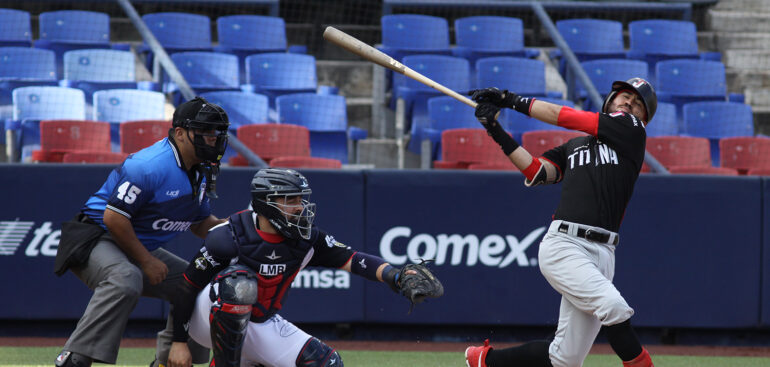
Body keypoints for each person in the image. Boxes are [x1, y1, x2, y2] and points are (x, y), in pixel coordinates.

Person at [463, 78, 657, 367]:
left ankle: (485, 360)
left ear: (644, 117)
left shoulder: (631, 130)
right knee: (614, 307)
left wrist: (509, 99)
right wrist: (495, 129)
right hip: (565, 245)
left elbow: (564, 116)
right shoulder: (575, 146)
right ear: (609, 101)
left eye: (639, 102)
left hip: (604, 254)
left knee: (564, 360)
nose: (630, 102)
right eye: (624, 96)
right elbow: (536, 171)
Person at [165, 168, 443, 367]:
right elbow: (185, 288)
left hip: (261, 321)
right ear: (267, 203)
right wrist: (179, 342)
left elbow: (353, 259)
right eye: (291, 200)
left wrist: (395, 276)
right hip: (208, 317)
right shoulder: (228, 236)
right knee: (239, 284)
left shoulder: (307, 238)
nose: (300, 207)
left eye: (300, 199)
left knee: (327, 363)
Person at [53, 97, 231, 367]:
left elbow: (200, 224)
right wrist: (146, 260)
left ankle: (167, 362)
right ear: (180, 134)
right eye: (205, 133)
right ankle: (75, 359)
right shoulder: (149, 165)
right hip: (95, 237)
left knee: (198, 286)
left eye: (216, 133)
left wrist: (241, 227)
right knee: (125, 278)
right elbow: (113, 218)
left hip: (133, 244)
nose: (212, 140)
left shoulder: (201, 169)